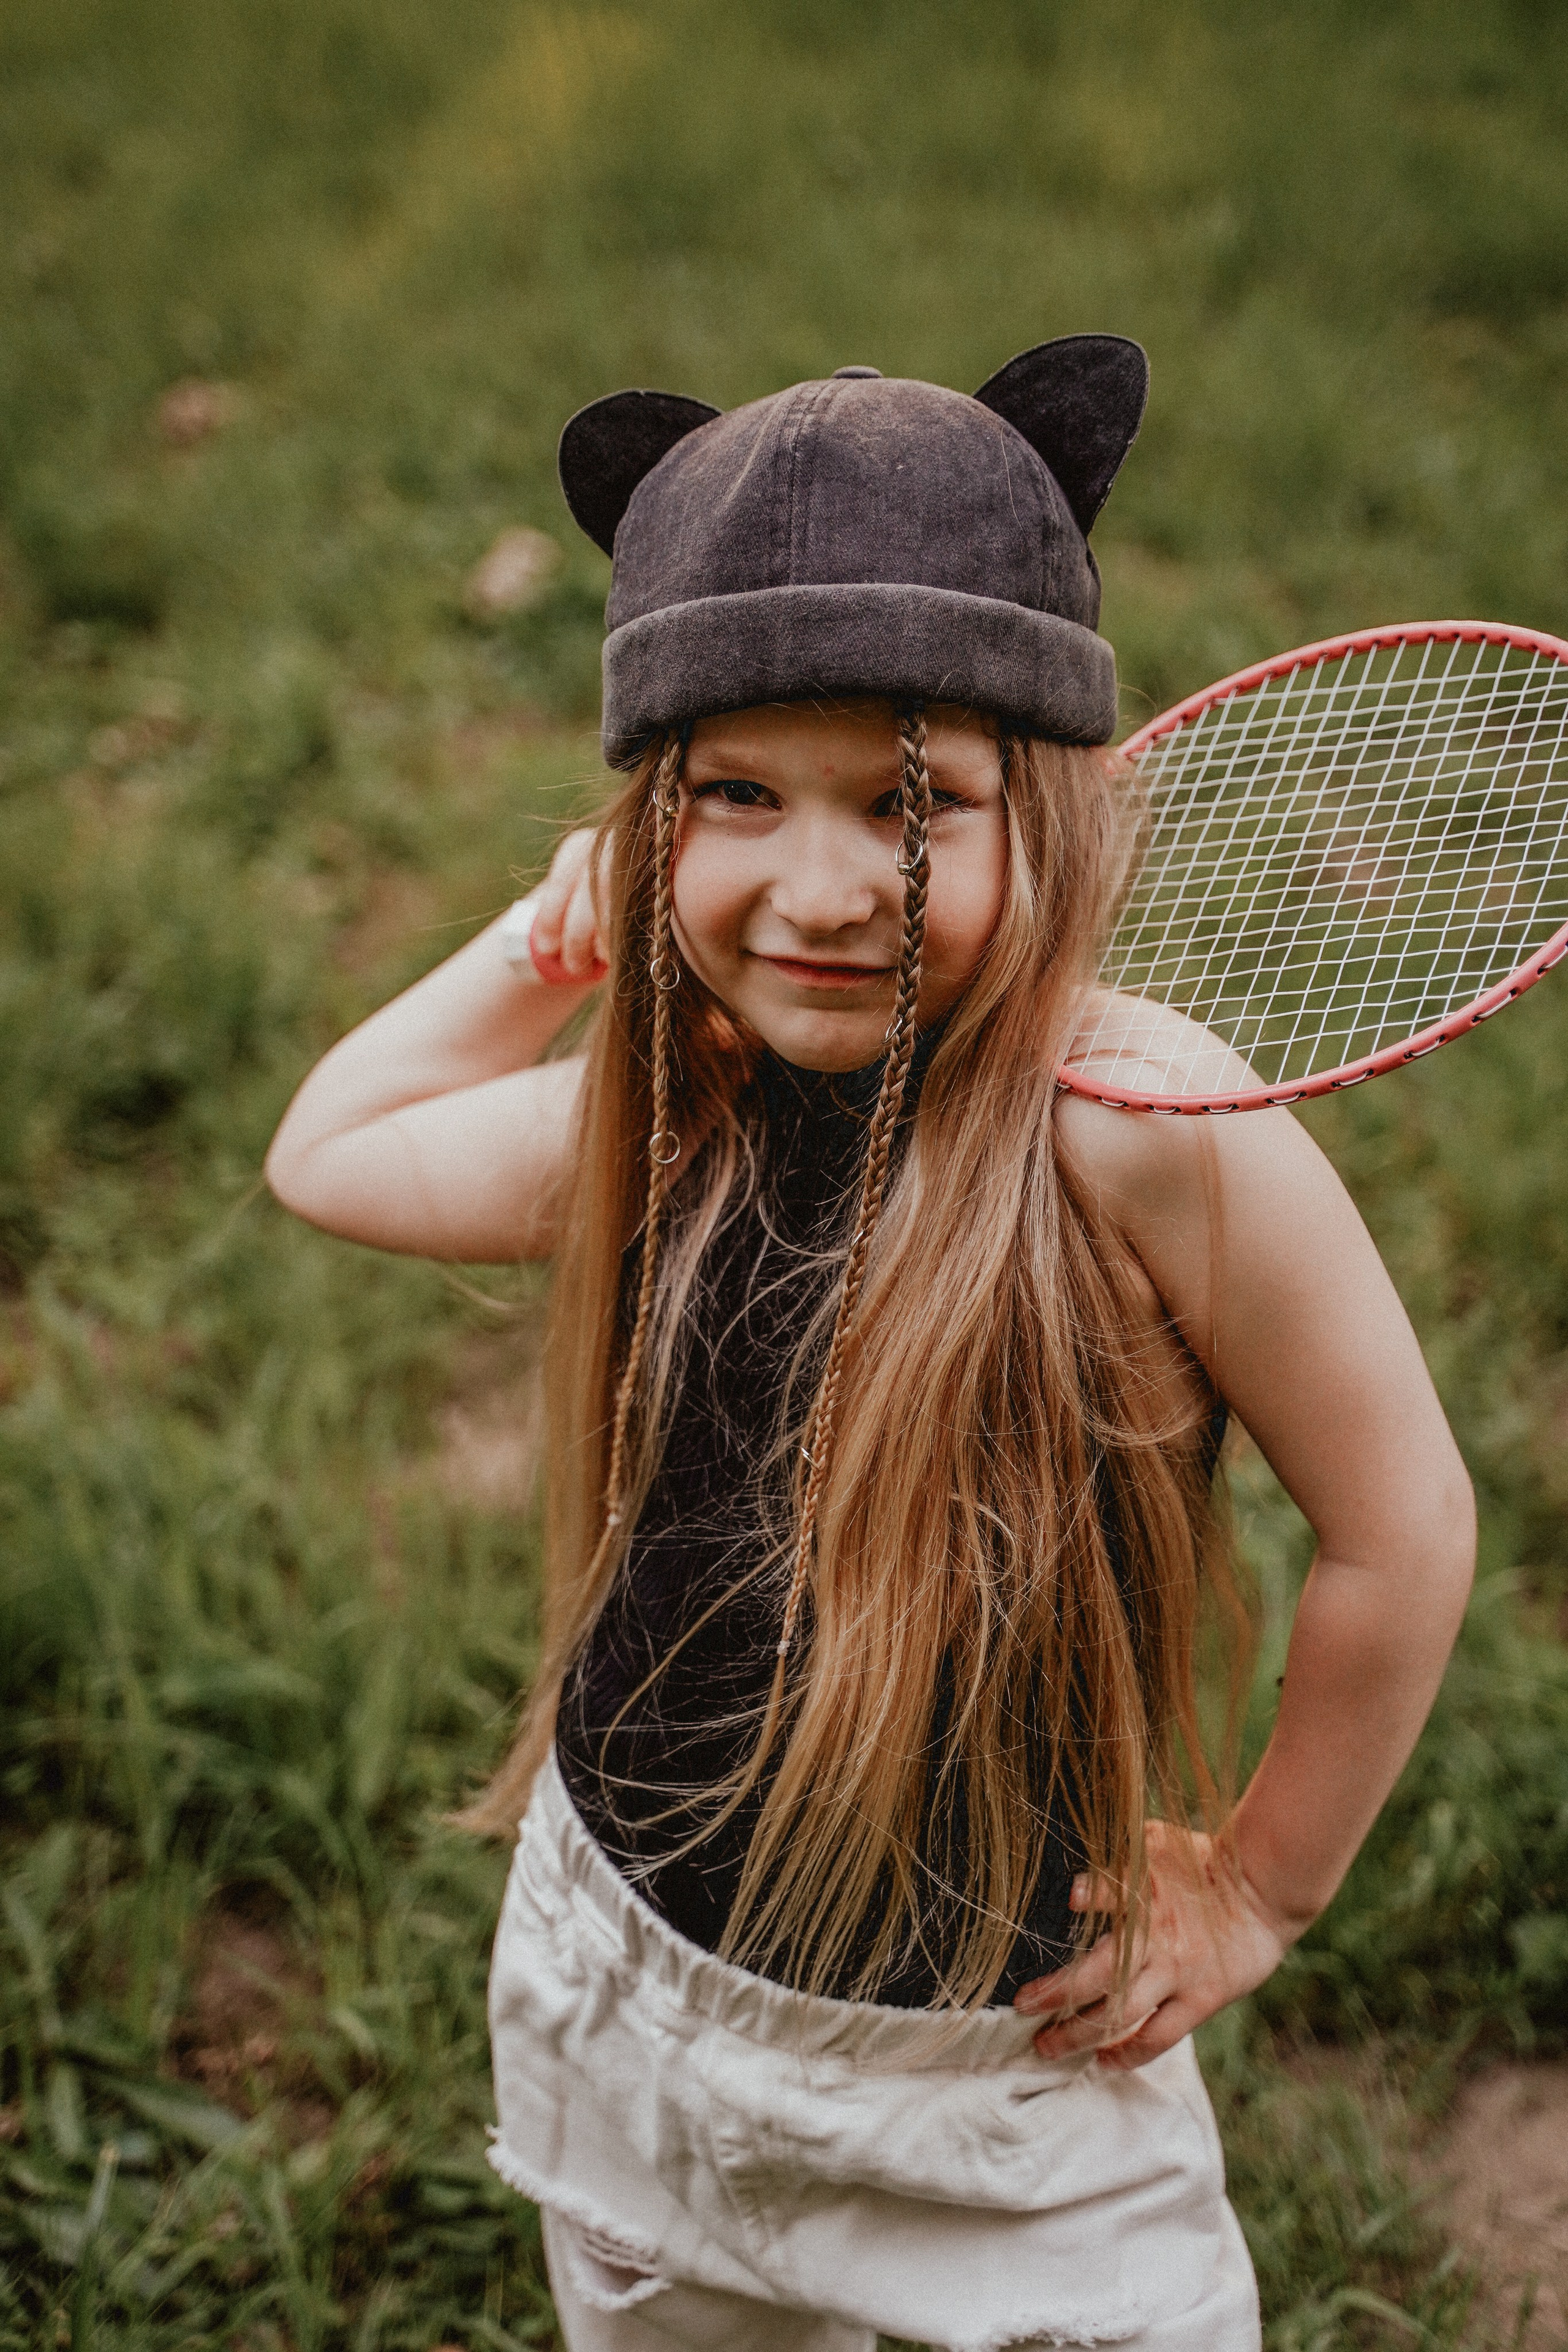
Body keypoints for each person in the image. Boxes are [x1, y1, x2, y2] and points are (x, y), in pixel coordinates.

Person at [265, 341, 1476, 2352]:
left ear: (1055, 814)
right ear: (653, 818)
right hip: (638, 1996)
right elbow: (335, 1155)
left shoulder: (1137, 1131)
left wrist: (1266, 1886)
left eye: (914, 804)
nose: (818, 889)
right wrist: (550, 944)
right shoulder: (681, 1113)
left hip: (1002, 2080)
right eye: (736, 796)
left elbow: (1402, 1524)